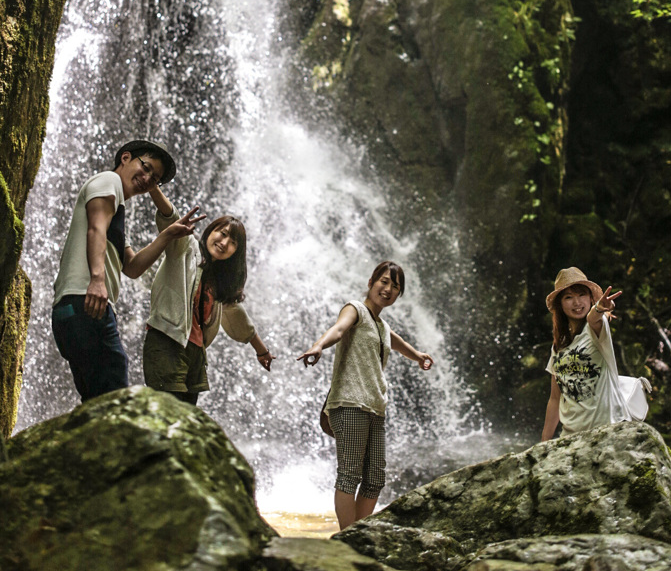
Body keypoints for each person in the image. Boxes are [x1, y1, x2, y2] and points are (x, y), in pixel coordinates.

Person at [52, 139, 203, 402]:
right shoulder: (108, 181)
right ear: (125, 158)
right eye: (145, 168)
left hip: (75, 307)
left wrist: (167, 235)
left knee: (97, 397)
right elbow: (95, 228)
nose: (147, 179)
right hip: (86, 300)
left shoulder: (117, 209)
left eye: (154, 178)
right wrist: (97, 280)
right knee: (115, 385)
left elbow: (132, 267)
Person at [297, 260, 434, 530]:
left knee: (374, 479)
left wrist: (417, 356)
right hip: (349, 403)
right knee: (349, 476)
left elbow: (394, 341)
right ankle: (349, 540)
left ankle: (358, 534)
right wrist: (318, 346)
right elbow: (339, 329)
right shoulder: (355, 309)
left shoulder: (381, 324)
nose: (388, 289)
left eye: (395, 286)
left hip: (374, 406)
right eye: (384, 281)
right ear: (370, 283)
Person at [143, 194, 275, 405]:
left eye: (232, 243)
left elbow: (237, 316)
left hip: (195, 352)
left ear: (236, 253)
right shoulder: (186, 248)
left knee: (185, 421)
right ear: (210, 230)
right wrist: (153, 187)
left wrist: (261, 350)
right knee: (168, 416)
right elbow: (170, 218)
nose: (223, 243)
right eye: (222, 234)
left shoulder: (219, 281)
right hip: (167, 341)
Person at [541, 265, 628, 441]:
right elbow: (555, 399)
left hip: (605, 432)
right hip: (572, 437)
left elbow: (593, 317)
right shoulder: (559, 346)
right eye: (568, 297)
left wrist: (599, 308)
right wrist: (543, 443)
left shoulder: (596, 329)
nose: (577, 302)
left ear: (590, 298)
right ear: (560, 304)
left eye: (582, 295)